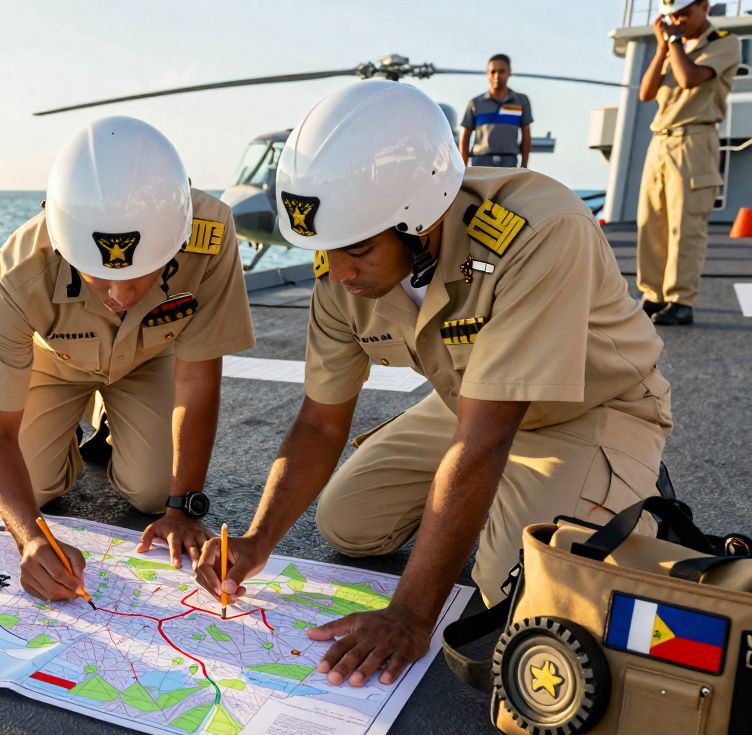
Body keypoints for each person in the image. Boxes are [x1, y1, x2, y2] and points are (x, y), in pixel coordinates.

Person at [194, 80, 671, 688]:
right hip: (470, 403)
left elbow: (484, 442)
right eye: (325, 251)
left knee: (516, 585)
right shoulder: (342, 264)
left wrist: (412, 614)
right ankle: (504, 505)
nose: (338, 274)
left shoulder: (540, 231)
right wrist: (259, 539)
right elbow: (319, 421)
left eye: (358, 250)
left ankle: (607, 493)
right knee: (348, 524)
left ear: (420, 220)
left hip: (586, 411)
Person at [0, 116, 255, 602]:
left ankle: (108, 417)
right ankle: (87, 415)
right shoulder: (16, 271)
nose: (120, 294)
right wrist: (30, 539)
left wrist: (183, 508)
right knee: (31, 492)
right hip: (55, 364)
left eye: (142, 274)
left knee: (153, 493)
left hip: (150, 359)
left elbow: (199, 375)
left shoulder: (213, 230)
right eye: (99, 277)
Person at [637, 0, 741, 326]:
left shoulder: (724, 41)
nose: (677, 20)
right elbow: (646, 93)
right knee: (651, 225)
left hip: (694, 141)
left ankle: (681, 300)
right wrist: (660, 49)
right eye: (672, 15)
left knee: (686, 226)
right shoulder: (672, 46)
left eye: (684, 13)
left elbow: (688, 79)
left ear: (704, 7)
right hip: (660, 141)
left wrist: (674, 43)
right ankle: (653, 295)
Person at [459, 54, 533, 168]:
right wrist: (462, 168)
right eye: (493, 71)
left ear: (509, 72)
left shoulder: (521, 101)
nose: (497, 76)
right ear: (487, 73)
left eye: (502, 71)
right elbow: (465, 137)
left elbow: (526, 135)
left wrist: (524, 167)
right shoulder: (475, 103)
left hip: (509, 163)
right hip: (480, 162)